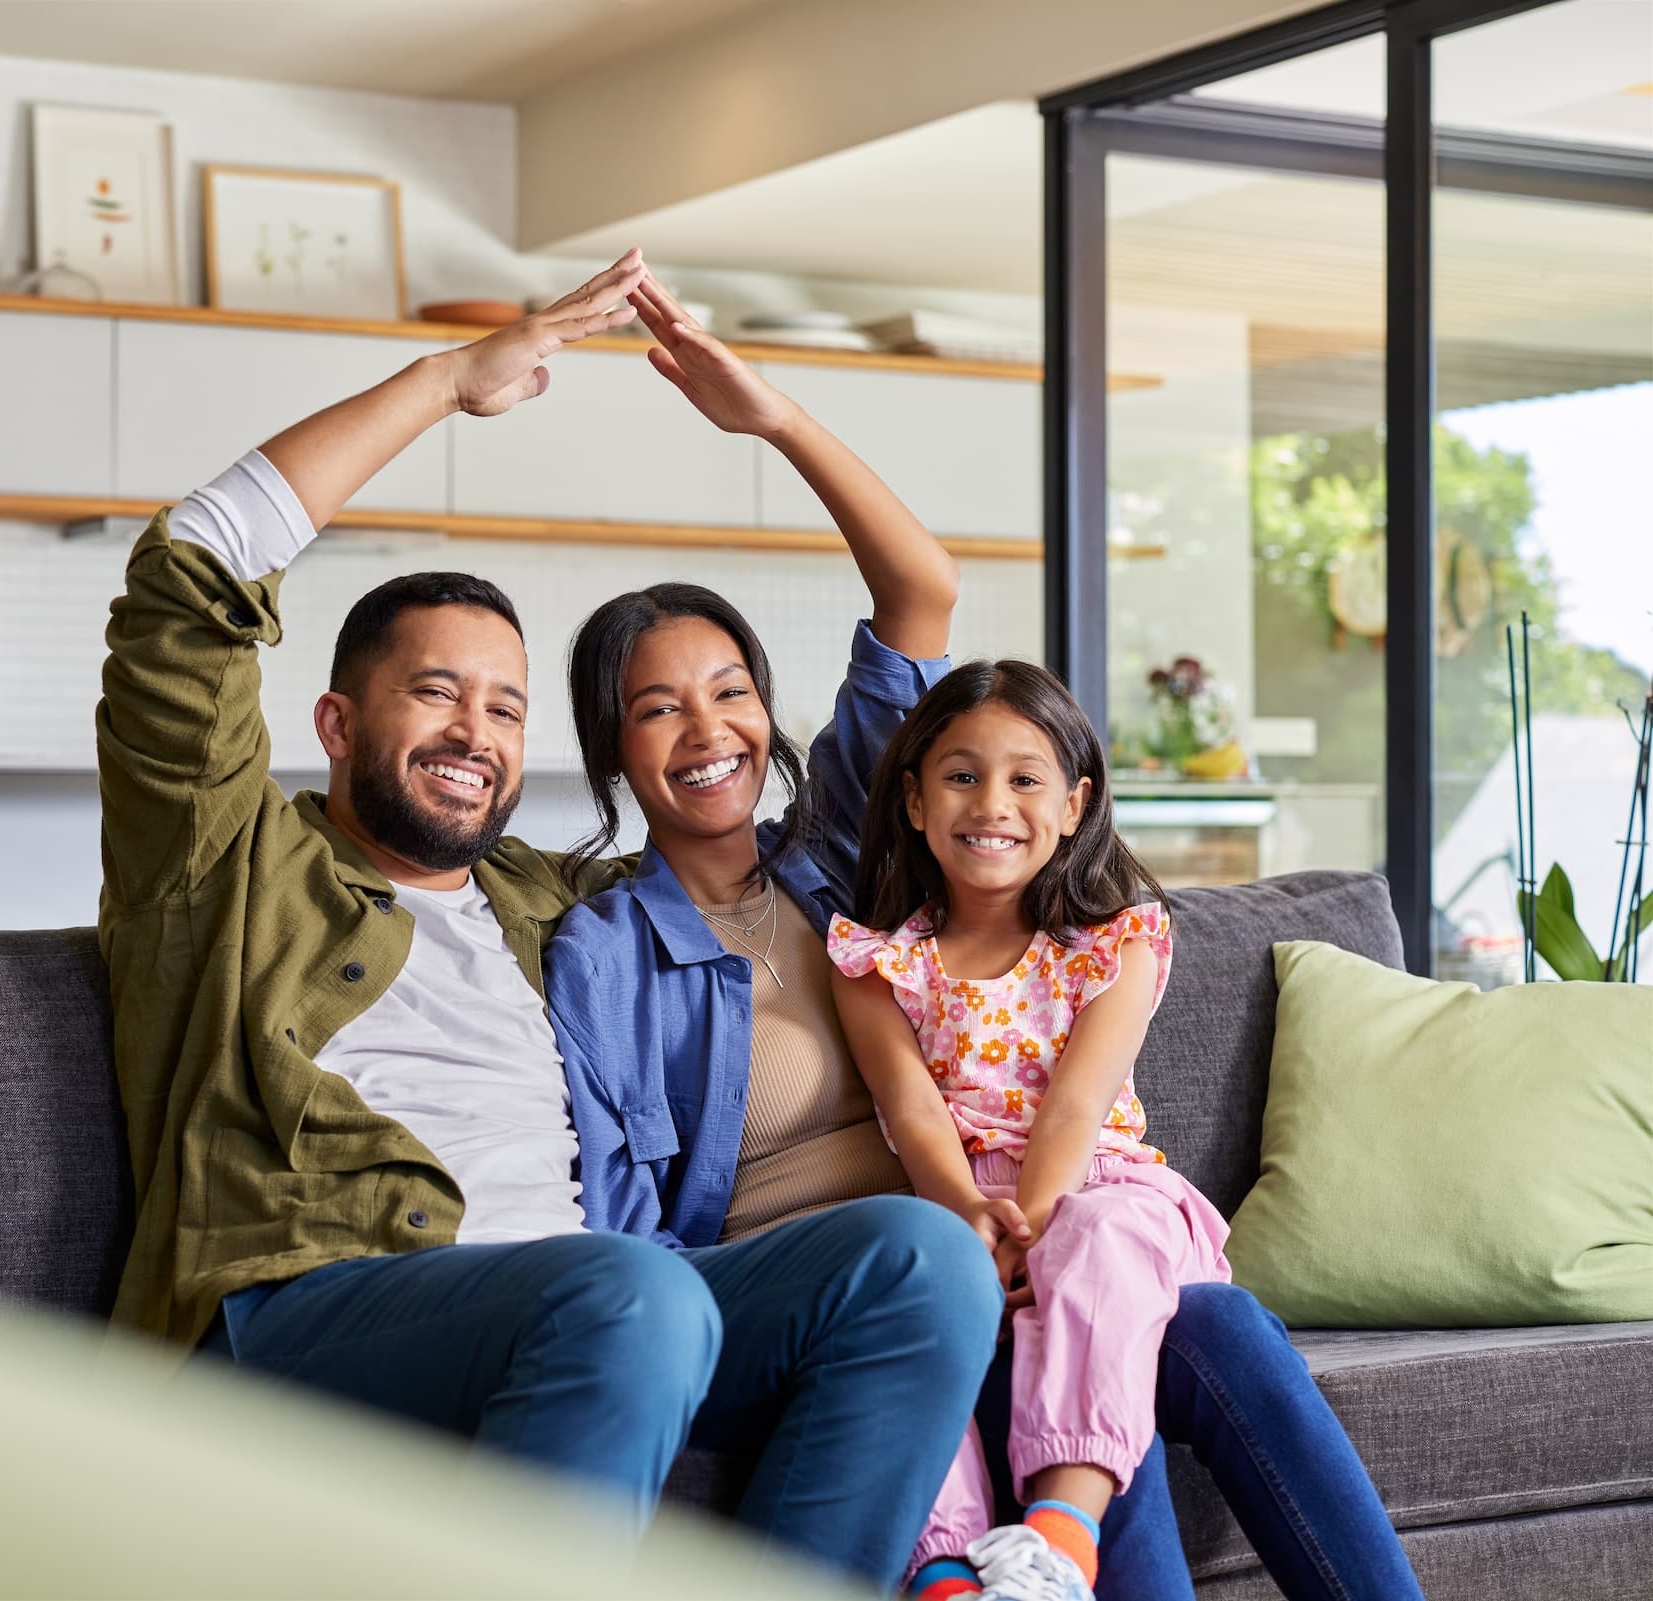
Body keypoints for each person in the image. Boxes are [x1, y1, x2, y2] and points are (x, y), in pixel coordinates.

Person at [96, 249, 1000, 1583]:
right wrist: (452, 379)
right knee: (627, 1291)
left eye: (506, 708)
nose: (475, 731)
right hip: (302, 1304)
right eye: (436, 693)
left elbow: (911, 632)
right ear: (337, 722)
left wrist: (774, 424)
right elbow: (187, 579)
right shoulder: (224, 861)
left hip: (589, 1308)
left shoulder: (562, 907)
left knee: (923, 1259)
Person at [545, 278, 1424, 1600]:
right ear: (613, 747)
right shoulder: (606, 948)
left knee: (1213, 1321)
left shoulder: (848, 857)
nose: (706, 727)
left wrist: (773, 416)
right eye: (656, 708)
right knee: (1070, 1330)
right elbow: (622, 1225)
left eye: (729, 690)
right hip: (842, 1289)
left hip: (1005, 1231)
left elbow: (922, 587)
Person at [826, 661, 1207, 1600]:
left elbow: (1079, 1105)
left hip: (1097, 1186)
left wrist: (1029, 1221)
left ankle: (1060, 1537)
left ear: (1074, 804)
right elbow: (912, 1111)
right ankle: (948, 1574)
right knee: (902, 1317)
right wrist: (967, 1219)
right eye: (961, 775)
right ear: (914, 800)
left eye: (1025, 778)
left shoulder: (1116, 945)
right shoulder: (876, 963)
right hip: (955, 1200)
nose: (991, 802)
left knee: (1095, 1236)